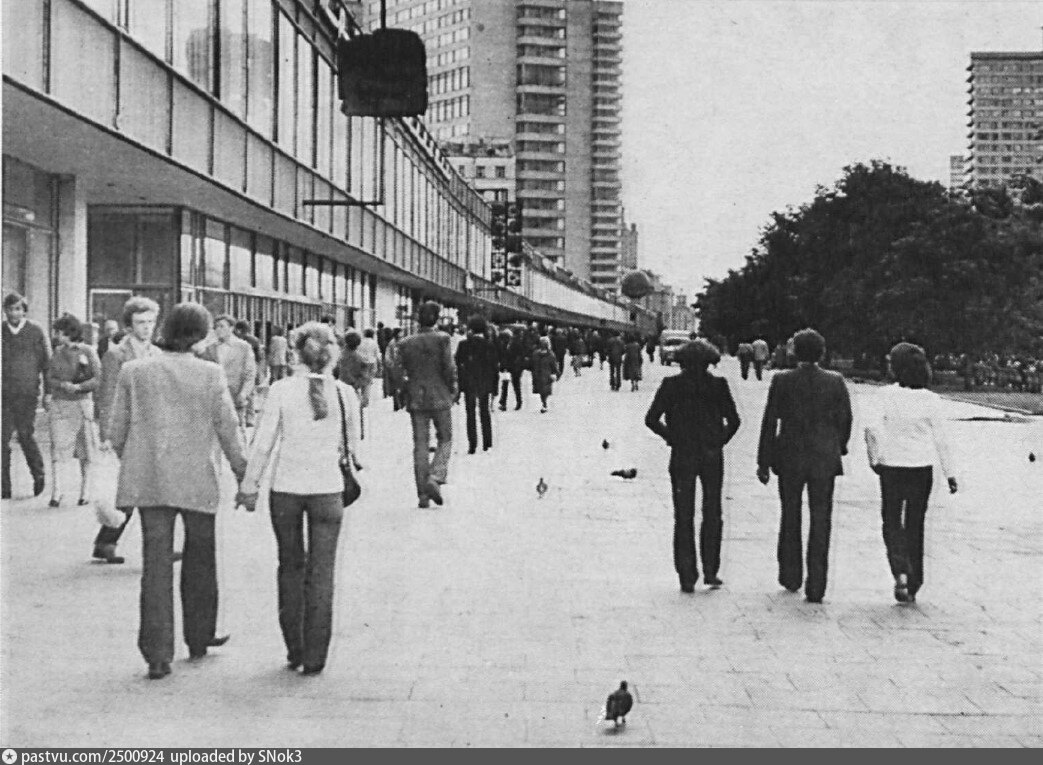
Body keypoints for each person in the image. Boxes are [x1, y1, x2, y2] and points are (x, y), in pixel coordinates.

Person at [108, 303, 247, 680]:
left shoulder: (134, 371)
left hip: (150, 479)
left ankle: (157, 655)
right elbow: (228, 429)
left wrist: (137, 459)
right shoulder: (211, 373)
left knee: (155, 564)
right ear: (200, 336)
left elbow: (116, 431)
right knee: (201, 556)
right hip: (198, 478)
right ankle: (199, 637)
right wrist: (243, 474)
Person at [238, 322, 360, 675]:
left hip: (286, 491)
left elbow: (263, 443)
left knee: (290, 566)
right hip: (328, 491)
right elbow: (353, 447)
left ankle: (295, 647)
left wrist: (249, 486)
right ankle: (315, 655)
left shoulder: (280, 390)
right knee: (322, 572)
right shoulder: (345, 394)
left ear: (296, 353)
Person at [756, 329, 852, 604]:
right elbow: (846, 419)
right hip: (824, 457)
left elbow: (770, 421)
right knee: (821, 518)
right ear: (821, 352)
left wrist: (764, 461)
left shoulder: (782, 380)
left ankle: (791, 574)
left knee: (790, 514)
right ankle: (817, 584)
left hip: (790, 456)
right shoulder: (835, 381)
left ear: (795, 352)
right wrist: (838, 446)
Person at [864, 342, 958, 604]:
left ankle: (900, 569)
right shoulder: (931, 400)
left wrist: (875, 458)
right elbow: (942, 439)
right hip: (921, 467)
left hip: (892, 465)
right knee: (915, 522)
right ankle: (915, 579)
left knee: (891, 520)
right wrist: (950, 473)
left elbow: (872, 430)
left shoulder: (884, 395)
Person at [645, 340, 741, 592]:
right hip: (711, 456)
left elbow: (651, 419)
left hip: (682, 454)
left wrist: (671, 437)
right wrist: (719, 441)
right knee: (712, 512)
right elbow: (734, 421)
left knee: (683, 515)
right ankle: (710, 570)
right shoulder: (718, 385)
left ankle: (687, 575)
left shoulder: (671, 385)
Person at [93, 296, 161, 564]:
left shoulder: (157, 354)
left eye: (151, 322)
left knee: (142, 489)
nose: (147, 327)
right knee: (136, 489)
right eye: (141, 322)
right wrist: (107, 436)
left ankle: (107, 541)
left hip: (152, 431)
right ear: (129, 326)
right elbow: (107, 396)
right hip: (126, 431)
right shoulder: (115, 355)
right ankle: (152, 546)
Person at [390, 302, 457, 509]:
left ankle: (422, 495)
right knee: (445, 437)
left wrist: (404, 389)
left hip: (416, 397)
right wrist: (452, 387)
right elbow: (449, 367)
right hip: (440, 395)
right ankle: (435, 476)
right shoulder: (443, 339)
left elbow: (395, 369)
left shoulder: (405, 342)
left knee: (420, 444)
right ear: (436, 318)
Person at [45, 313, 101, 508]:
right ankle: (57, 491)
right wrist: (62, 385)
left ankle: (85, 491)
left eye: (59, 332)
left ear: (69, 333)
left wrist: (79, 387)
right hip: (60, 405)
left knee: (85, 449)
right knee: (58, 447)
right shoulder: (57, 352)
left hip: (82, 404)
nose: (57, 336)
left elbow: (97, 378)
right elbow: (50, 377)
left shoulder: (88, 351)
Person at [2, 292, 50, 500]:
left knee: (25, 435)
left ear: (24, 311)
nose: (14, 313)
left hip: (27, 394)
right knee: (2, 439)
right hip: (4, 395)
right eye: (10, 309)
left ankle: (38, 475)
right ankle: (4, 487)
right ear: (5, 311)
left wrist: (48, 393)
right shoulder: (2, 331)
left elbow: (46, 364)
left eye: (18, 309)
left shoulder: (35, 331)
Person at [198, 315, 257, 431]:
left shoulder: (244, 347)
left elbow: (250, 373)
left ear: (231, 328)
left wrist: (244, 393)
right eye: (216, 327)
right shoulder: (210, 349)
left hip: (236, 398)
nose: (218, 330)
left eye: (222, 326)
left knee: (238, 432)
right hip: (215, 398)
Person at [455, 316, 498, 454]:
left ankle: (472, 444)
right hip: (485, 383)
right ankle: (487, 443)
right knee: (485, 412)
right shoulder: (489, 345)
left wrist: (459, 387)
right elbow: (494, 368)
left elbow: (458, 366)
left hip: (469, 383)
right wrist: (495, 388)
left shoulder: (463, 345)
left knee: (470, 413)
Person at [337, 331, 374, 440]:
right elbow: (365, 375)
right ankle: (354, 435)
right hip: (352, 387)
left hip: (340, 386)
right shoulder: (359, 357)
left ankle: (343, 435)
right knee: (353, 413)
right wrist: (357, 383)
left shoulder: (341, 355)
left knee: (343, 413)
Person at [530, 336, 559, 413]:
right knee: (545, 390)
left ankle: (544, 403)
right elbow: (554, 366)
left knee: (541, 391)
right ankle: (544, 404)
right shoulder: (551, 354)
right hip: (547, 375)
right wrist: (556, 373)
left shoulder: (535, 354)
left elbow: (531, 364)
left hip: (537, 375)